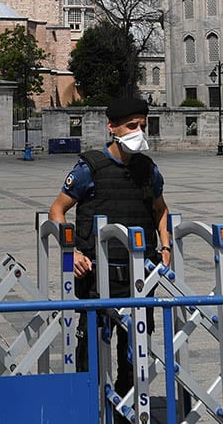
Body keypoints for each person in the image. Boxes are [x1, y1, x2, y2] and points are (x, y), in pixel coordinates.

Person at [48, 96, 172, 408]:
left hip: (139, 277)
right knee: (91, 351)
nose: (138, 131)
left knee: (134, 354)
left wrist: (166, 245)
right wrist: (71, 252)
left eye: (142, 125)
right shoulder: (90, 168)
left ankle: (126, 408)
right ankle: (89, 407)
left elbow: (160, 209)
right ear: (112, 127)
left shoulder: (148, 169)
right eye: (132, 125)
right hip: (97, 277)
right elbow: (57, 210)